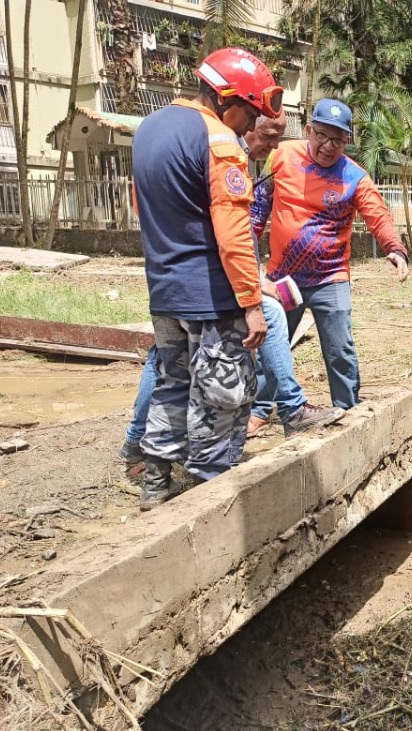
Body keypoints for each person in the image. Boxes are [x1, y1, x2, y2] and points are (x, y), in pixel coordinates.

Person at [119, 111, 339, 468]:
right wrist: (251, 291)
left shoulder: (162, 141)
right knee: (208, 366)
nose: (271, 146)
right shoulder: (222, 149)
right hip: (205, 282)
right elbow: (231, 232)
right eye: (267, 135)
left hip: (170, 278)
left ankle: (141, 448)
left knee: (166, 363)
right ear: (244, 122)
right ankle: (283, 416)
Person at [130, 47, 277, 510]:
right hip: (213, 296)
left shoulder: (149, 128)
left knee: (172, 383)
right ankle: (210, 499)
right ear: (228, 100)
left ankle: (156, 485)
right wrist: (252, 303)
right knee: (223, 395)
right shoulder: (219, 140)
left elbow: (141, 208)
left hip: (165, 291)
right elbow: (234, 233)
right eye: (249, 114)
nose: (250, 127)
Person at [250, 98, 410, 416]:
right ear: (309, 130)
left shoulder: (354, 177)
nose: (328, 145)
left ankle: (348, 411)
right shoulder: (280, 157)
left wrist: (395, 248)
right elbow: (259, 206)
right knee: (272, 346)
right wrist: (247, 257)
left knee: (340, 350)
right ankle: (259, 410)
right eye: (321, 135)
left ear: (347, 140)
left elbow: (377, 214)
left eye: (337, 139)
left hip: (330, 278)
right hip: (282, 278)